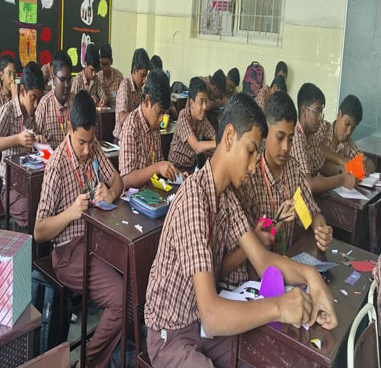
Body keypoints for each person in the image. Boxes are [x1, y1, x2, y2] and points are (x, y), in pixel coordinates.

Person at [144, 93, 337, 368]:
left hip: (202, 323)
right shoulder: (193, 201)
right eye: (250, 151)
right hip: (173, 333)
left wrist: (312, 277)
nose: (253, 165)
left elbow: (262, 258)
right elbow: (212, 315)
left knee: (266, 356)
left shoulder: (226, 196)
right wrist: (280, 306)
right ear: (229, 136)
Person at [34, 90, 124, 368]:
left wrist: (110, 193)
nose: (86, 150)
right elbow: (39, 230)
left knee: (135, 276)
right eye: (81, 142)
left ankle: (115, 350)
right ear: (70, 129)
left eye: (91, 141)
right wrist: (71, 213)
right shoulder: (57, 165)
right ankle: (88, 362)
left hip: (98, 241)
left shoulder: (94, 148)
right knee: (121, 299)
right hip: (69, 253)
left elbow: (118, 180)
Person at [224, 91, 333, 286]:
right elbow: (253, 244)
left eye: (290, 139)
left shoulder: (293, 170)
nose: (285, 147)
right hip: (254, 276)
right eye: (280, 137)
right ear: (265, 135)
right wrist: (279, 221)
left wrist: (321, 230)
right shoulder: (250, 176)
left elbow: (311, 213)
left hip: (285, 265)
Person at [0, 62, 46, 228]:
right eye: (33, 98)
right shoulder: (8, 110)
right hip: (11, 189)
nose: (36, 104)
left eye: (39, 99)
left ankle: (41, 243)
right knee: (33, 213)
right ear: (22, 91)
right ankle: (32, 243)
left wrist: (39, 142)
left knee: (48, 207)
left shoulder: (33, 115)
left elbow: (35, 144)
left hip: (31, 182)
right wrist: (17, 139)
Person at [119, 69, 181, 189]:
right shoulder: (131, 126)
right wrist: (157, 167)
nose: (161, 119)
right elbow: (126, 180)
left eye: (164, 113)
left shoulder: (154, 126)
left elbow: (159, 161)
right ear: (147, 101)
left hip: (153, 192)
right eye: (159, 113)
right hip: (135, 197)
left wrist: (176, 173)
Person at [291, 83, 357, 194]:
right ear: (304, 111)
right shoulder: (296, 137)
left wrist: (342, 170)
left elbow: (322, 166)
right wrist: (342, 179)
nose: (320, 118)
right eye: (317, 111)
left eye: (321, 113)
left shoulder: (311, 136)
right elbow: (309, 185)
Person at [316, 94, 375, 175]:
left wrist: (365, 167)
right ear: (339, 115)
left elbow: (369, 164)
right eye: (347, 124)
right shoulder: (322, 127)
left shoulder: (349, 144)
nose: (348, 132)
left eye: (352, 129)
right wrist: (342, 160)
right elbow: (315, 147)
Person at [168, 77, 216, 174]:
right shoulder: (183, 117)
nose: (205, 107)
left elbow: (215, 136)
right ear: (191, 103)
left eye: (206, 101)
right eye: (201, 102)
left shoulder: (202, 119)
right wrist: (219, 143)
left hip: (190, 169)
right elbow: (197, 147)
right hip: (175, 170)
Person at [35, 50, 73, 150]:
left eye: (69, 79)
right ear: (53, 78)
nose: (67, 85)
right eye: (62, 80)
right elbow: (34, 139)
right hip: (50, 158)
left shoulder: (76, 102)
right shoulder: (44, 105)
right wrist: (38, 139)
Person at [112, 48, 151, 142]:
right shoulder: (125, 86)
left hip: (135, 137)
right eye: (142, 75)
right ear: (134, 70)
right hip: (121, 139)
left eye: (146, 76)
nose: (144, 80)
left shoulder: (139, 90)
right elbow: (122, 118)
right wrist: (141, 112)